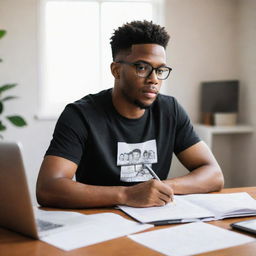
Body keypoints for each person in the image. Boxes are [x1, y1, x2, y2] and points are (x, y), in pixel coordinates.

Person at [36, 20, 224, 209]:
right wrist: (127, 194)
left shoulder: (170, 110)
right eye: (142, 68)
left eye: (160, 70)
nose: (154, 79)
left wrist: (160, 189)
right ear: (116, 70)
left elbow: (214, 174)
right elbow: (48, 187)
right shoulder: (80, 115)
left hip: (153, 220)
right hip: (97, 221)